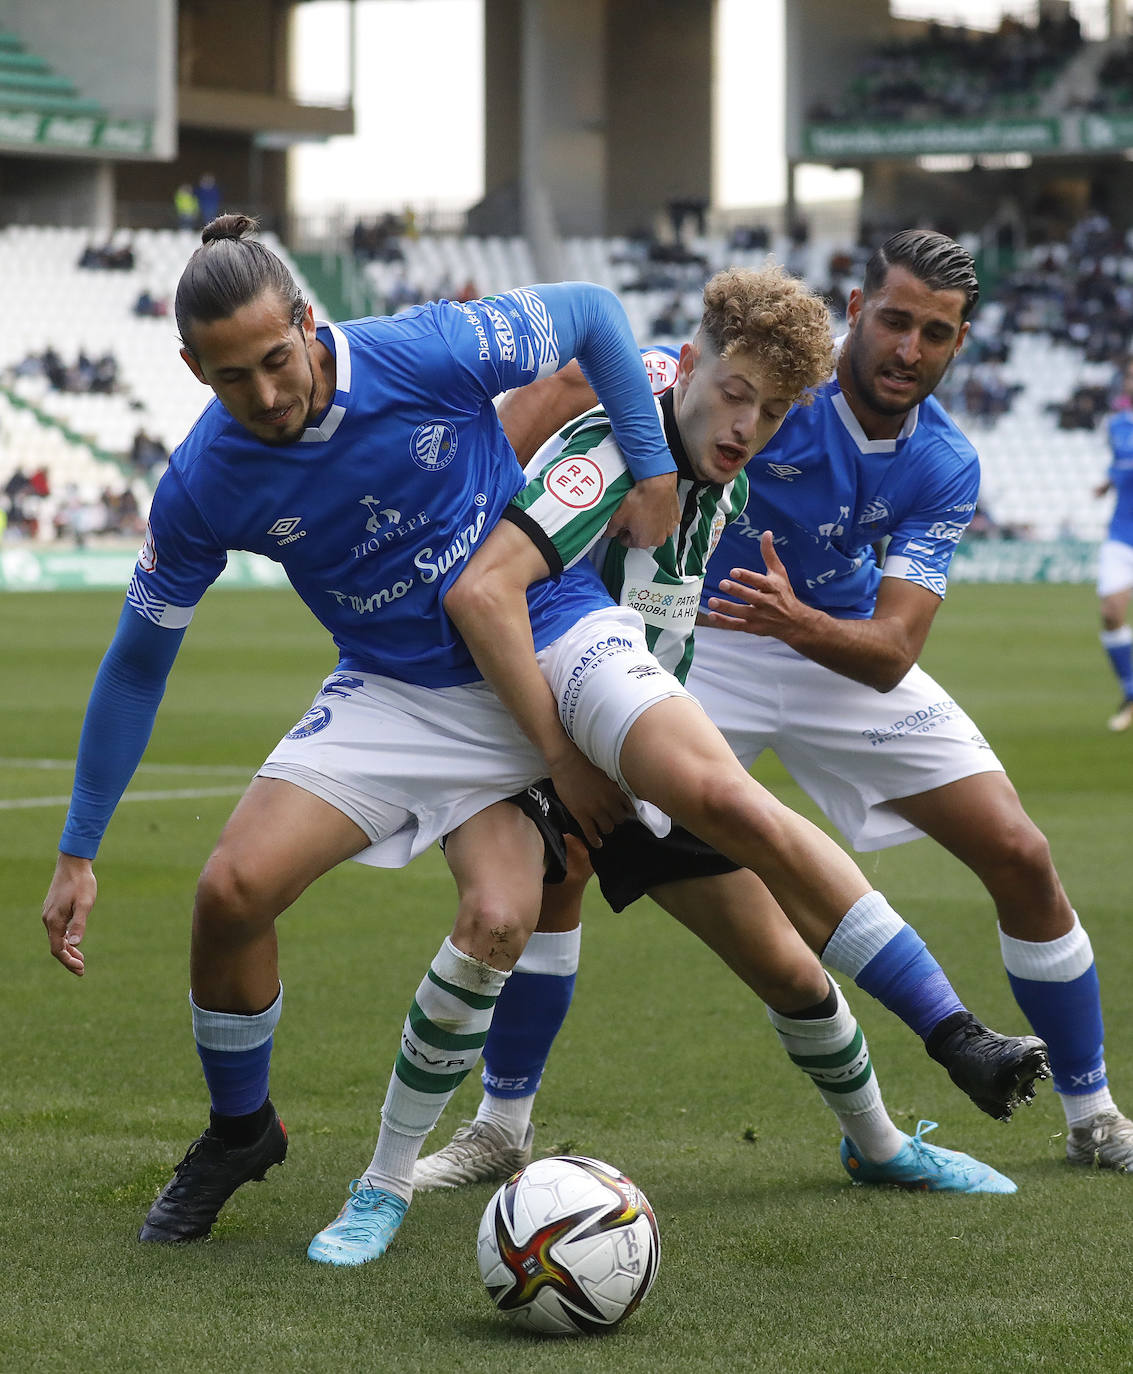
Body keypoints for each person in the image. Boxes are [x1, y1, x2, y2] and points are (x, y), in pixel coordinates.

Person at [428, 227, 1133, 1177]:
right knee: (566, 858)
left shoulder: (943, 464)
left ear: (959, 344)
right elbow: (570, 384)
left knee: (1018, 850)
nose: (907, 349)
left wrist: (800, 622)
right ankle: (500, 1128)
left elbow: (890, 655)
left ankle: (1091, 1117)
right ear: (855, 312)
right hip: (700, 641)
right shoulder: (767, 380)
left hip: (831, 648)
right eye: (893, 321)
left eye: (934, 332)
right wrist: (475, 523)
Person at [40, 213, 683, 1253]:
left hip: (529, 649)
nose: (264, 396)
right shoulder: (205, 481)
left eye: (276, 360)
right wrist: (79, 848)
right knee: (229, 892)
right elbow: (136, 661)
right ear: (190, 369)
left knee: (507, 915)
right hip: (391, 690)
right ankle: (241, 1129)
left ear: (307, 320)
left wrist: (651, 469)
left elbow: (596, 319)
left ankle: (880, 1093)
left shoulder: (425, 351)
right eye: (230, 378)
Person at [1095, 356, 1133, 732]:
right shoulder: (1118, 424)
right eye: (1129, 374)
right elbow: (1119, 464)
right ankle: (1131, 691)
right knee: (1111, 612)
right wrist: (1106, 484)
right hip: (1122, 533)